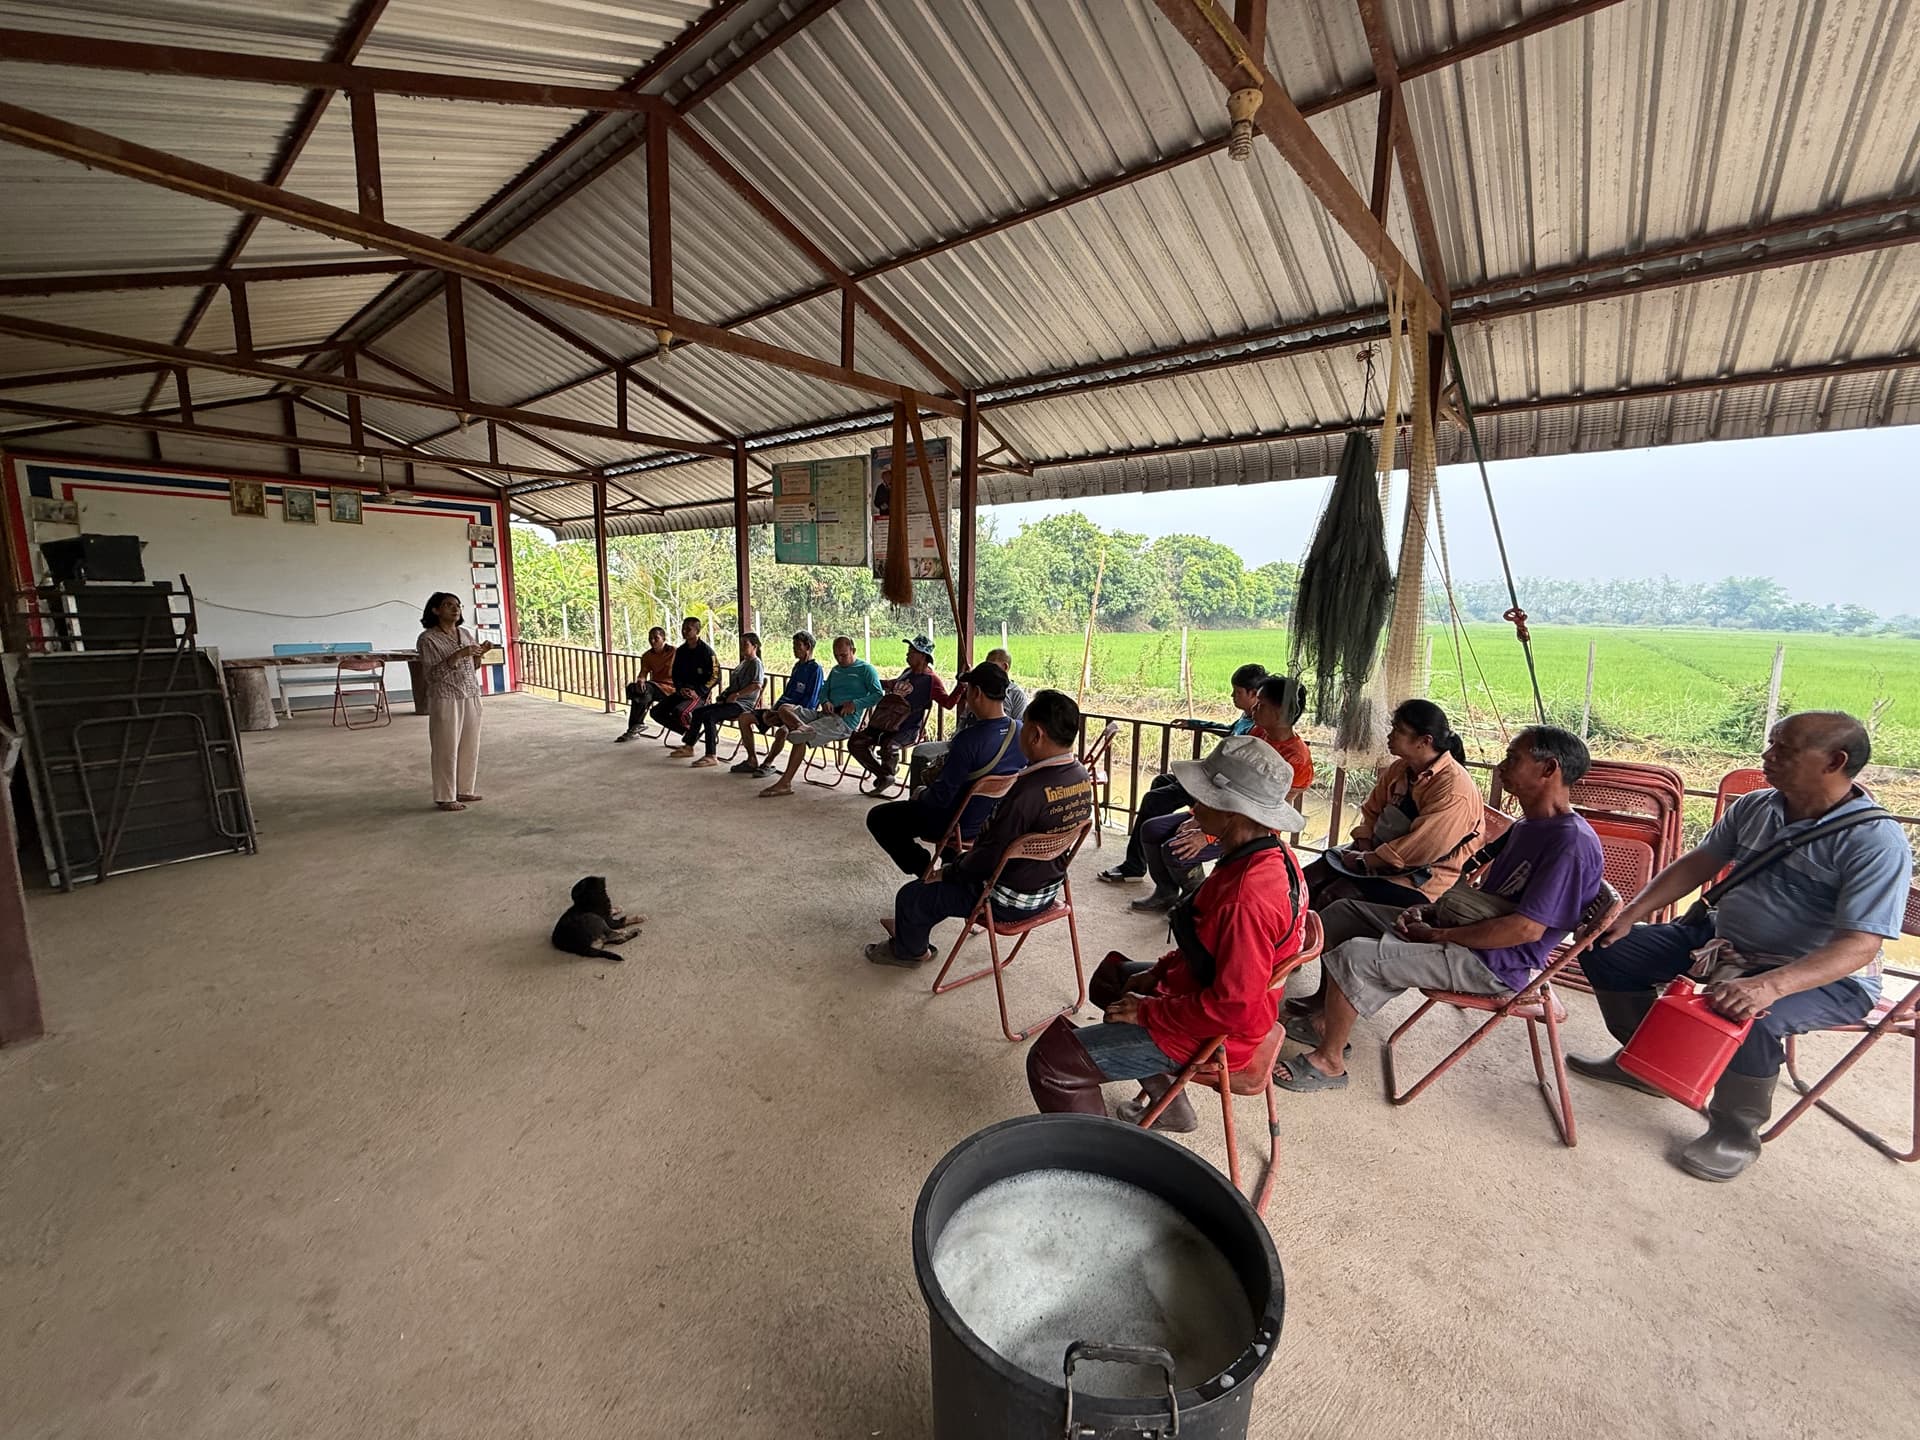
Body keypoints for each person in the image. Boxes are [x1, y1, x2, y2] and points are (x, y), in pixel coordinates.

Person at [1571, 711, 1911, 1182]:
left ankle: (1735, 1131)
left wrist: (1768, 986)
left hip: (1823, 974)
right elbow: (1699, 863)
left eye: (1784, 750)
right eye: (1771, 744)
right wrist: (1629, 914)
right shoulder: (1757, 806)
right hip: (1721, 941)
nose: (1767, 757)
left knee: (1747, 1013)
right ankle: (1650, 1064)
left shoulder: (1875, 841)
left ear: (1835, 761)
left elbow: (1858, 945)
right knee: (1604, 949)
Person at [1275, 726, 1603, 1095]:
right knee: (1340, 914)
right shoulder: (1528, 825)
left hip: (1495, 963)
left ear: (1549, 769)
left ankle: (1329, 1062)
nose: (1501, 766)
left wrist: (1440, 934)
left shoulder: (1570, 844)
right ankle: (1326, 1016)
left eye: (1513, 758)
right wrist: (1430, 916)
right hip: (1469, 933)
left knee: (1355, 956)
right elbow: (1480, 901)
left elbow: (1525, 931)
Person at [1024, 735, 1309, 1130]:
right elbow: (1205, 942)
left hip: (1221, 1031)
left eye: (1205, 798)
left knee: (1052, 1062)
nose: (1193, 805)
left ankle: (1101, 1161)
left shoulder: (1246, 900)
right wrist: (1158, 974)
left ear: (1234, 815)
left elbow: (1233, 1006)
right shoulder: (1271, 854)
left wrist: (1149, 1009)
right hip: (1210, 991)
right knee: (1113, 980)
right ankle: (1169, 1105)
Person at [866, 689, 1091, 967]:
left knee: (913, 895)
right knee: (940, 883)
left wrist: (950, 871)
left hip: (1005, 899)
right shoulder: (1082, 778)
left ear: (1036, 734)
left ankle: (910, 951)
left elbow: (988, 857)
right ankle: (912, 927)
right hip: (1047, 892)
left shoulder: (1025, 792)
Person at [1129, 673, 1315, 914]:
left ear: (1280, 712)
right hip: (1220, 811)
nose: (1254, 709)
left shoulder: (1297, 759)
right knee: (1152, 829)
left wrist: (1206, 835)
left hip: (1250, 830)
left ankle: (1196, 901)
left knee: (1175, 850)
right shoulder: (1256, 734)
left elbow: (1263, 812)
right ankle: (1165, 892)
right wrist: (1198, 818)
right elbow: (1223, 786)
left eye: (1261, 705)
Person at [1097, 662, 1267, 885]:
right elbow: (1228, 731)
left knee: (1153, 800)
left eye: (1237, 692)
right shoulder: (1246, 717)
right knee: (1160, 782)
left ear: (1254, 694)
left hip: (1216, 786)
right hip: (1210, 775)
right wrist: (1196, 724)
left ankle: (1136, 863)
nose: (1232, 696)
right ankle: (1149, 849)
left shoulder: (1258, 728)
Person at [1304, 699, 1483, 910]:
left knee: (1332, 896)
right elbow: (1372, 811)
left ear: (1424, 741)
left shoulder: (1453, 790)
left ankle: (1309, 940)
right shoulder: (1400, 769)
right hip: (1374, 856)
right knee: (1304, 881)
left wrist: (1366, 860)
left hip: (1419, 878)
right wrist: (1364, 846)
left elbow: (1421, 849)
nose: (1389, 736)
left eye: (1398, 730)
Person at [864, 664, 1026, 877]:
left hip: (958, 823)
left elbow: (941, 797)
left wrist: (921, 793)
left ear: (976, 692)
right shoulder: (1020, 730)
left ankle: (925, 870)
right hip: (993, 819)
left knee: (879, 817)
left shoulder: (968, 740)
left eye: (967, 689)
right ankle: (953, 864)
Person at [757, 637, 884, 797]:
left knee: (800, 738)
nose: (839, 659)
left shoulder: (866, 669)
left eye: (843, 655)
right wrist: (825, 701)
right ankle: (801, 727)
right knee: (784, 708)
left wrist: (856, 704)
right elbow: (824, 690)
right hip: (824, 714)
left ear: (853, 651)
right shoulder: (836, 670)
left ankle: (785, 783)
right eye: (836, 655)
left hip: (842, 721)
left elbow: (878, 694)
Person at [907, 647, 1028, 793]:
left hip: (981, 748)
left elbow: (941, 799)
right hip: (965, 744)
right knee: (922, 752)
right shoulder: (1016, 726)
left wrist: (921, 795)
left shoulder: (1014, 696)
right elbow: (964, 719)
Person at [848, 635, 956, 795]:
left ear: (923, 656)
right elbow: (892, 684)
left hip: (908, 728)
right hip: (885, 723)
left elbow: (948, 703)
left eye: (912, 651)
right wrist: (872, 680)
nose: (908, 654)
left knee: (888, 745)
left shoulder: (931, 680)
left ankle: (886, 773)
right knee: (855, 742)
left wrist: (961, 686)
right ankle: (884, 774)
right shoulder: (907, 672)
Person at [416, 591, 489, 812]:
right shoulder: (428, 639)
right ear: (435, 610)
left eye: (458, 605)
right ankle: (445, 796)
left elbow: (472, 667)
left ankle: (464, 789)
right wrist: (458, 655)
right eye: (448, 605)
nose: (455, 609)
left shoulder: (465, 634)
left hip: (471, 694)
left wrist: (479, 654)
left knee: (470, 745)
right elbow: (432, 675)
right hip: (446, 697)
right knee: (445, 748)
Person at [738, 632, 824, 775]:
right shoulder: (797, 666)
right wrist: (773, 710)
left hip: (796, 715)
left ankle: (767, 763)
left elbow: (811, 701)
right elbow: (787, 693)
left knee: (782, 731)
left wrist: (783, 713)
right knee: (744, 718)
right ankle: (751, 759)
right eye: (793, 645)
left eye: (797, 646)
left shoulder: (815, 669)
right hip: (780, 711)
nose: (794, 649)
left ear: (807, 647)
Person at [681, 632, 765, 768]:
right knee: (699, 712)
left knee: (710, 716)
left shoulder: (756, 664)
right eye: (741, 643)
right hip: (731, 701)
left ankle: (711, 755)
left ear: (754, 646)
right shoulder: (743, 663)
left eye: (746, 644)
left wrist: (737, 695)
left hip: (742, 705)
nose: (742, 646)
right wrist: (724, 696)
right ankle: (689, 745)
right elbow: (733, 686)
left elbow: (757, 685)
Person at [656, 616, 718, 744]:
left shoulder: (706, 652)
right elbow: (676, 673)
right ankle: (689, 733)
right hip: (683, 691)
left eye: (688, 629)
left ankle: (689, 740)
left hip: (700, 695)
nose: (684, 631)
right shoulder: (681, 651)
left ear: (697, 631)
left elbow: (716, 676)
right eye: (683, 628)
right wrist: (680, 688)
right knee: (656, 712)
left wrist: (699, 692)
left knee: (681, 712)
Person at [614, 627, 675, 742]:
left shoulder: (674, 652)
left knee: (642, 693)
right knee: (636, 688)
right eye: (650, 638)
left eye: (656, 638)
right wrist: (640, 679)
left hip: (671, 689)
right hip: (655, 687)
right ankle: (635, 726)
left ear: (664, 638)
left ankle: (634, 727)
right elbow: (643, 672)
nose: (652, 641)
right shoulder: (647, 656)